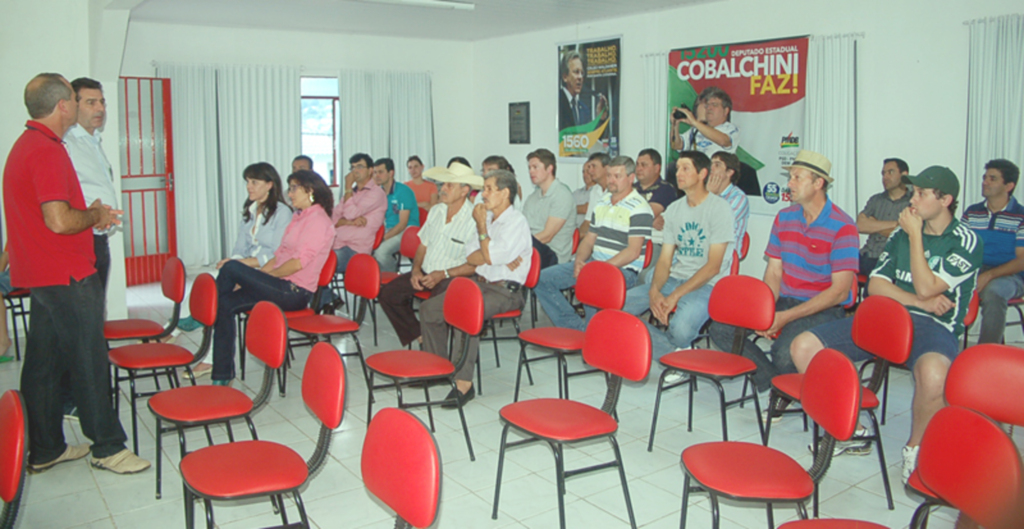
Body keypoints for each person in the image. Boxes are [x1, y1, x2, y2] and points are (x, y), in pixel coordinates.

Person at [790, 166, 981, 483]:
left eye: (921, 194)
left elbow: (926, 285)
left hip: (934, 327)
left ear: (946, 199)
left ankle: (916, 449)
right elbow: (876, 286)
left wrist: (916, 237)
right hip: (886, 317)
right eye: (913, 192)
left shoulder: (965, 240)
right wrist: (920, 301)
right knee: (803, 346)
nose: (912, 199)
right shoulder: (900, 233)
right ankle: (851, 431)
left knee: (934, 375)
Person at [3, 73, 148, 474]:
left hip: (44, 272)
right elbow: (59, 219)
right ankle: (107, 446)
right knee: (88, 357)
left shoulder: (27, 144)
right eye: (76, 99)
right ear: (63, 106)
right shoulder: (48, 150)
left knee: (44, 363)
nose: (88, 107)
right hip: (66, 271)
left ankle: (46, 447)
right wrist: (97, 214)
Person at [709, 150, 858, 392]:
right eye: (791, 177)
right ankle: (773, 383)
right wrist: (765, 311)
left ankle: (784, 388)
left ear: (818, 183)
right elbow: (774, 272)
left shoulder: (843, 226)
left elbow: (840, 292)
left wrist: (783, 318)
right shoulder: (784, 217)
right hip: (785, 300)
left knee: (784, 352)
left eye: (797, 178)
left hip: (821, 307)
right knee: (721, 329)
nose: (789, 184)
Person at [210, 170, 335, 386]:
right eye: (290, 187)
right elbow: (279, 256)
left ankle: (203, 316)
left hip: (295, 292)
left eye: (295, 188)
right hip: (280, 285)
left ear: (311, 190)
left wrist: (259, 277)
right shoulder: (299, 217)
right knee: (225, 304)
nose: (290, 193)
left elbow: (297, 263)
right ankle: (222, 376)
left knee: (231, 267)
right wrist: (259, 278)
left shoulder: (318, 221)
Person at [419, 169, 531, 406]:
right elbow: (472, 256)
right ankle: (438, 369)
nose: (483, 195)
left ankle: (464, 385)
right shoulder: (489, 217)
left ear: (505, 193)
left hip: (506, 292)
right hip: (480, 284)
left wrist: (483, 233)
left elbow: (488, 257)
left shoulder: (516, 222)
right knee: (429, 309)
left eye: (489, 189)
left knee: (465, 313)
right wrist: (489, 251)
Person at [623, 151, 734, 362]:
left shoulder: (719, 208)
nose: (678, 174)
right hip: (675, 278)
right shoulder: (674, 209)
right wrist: (655, 291)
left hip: (707, 283)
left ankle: (672, 352)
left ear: (702, 174)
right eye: (678, 169)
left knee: (681, 329)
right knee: (620, 309)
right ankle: (675, 355)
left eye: (685, 169)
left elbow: (713, 266)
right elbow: (665, 259)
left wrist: (675, 296)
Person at [534, 156, 652, 331]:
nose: (611, 181)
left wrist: (599, 269)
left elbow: (633, 252)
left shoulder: (640, 207)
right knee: (542, 279)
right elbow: (589, 239)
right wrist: (579, 261)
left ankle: (590, 333)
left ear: (631, 178)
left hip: (623, 271)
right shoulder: (602, 202)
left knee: (593, 287)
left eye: (617, 176)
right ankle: (575, 329)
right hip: (594, 265)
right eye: (609, 175)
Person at [179, 162, 294, 334]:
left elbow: (276, 254)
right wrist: (232, 262)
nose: (249, 187)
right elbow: (240, 247)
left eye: (254, 182)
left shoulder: (282, 212)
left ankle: (178, 327)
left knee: (214, 293)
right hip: (244, 267)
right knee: (208, 282)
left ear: (270, 185)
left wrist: (239, 265)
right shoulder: (251, 208)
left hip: (266, 272)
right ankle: (183, 326)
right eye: (247, 181)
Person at [378, 163, 482, 346]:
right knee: (388, 295)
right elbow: (422, 246)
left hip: (454, 277)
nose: (443, 189)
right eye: (443, 184)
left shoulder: (474, 220)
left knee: (430, 309)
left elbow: (475, 264)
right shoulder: (436, 211)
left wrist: (442, 274)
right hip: (427, 271)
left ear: (465, 190)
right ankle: (421, 337)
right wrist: (416, 269)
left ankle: (436, 352)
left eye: (450, 185)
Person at [961, 159, 1024, 344]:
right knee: (937, 283)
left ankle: (986, 355)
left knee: (994, 292)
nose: (985, 182)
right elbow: (962, 248)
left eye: (992, 178)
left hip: (1011, 276)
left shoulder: (1021, 216)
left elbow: (1022, 261)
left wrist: (989, 275)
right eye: (985, 177)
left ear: (1009, 186)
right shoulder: (973, 212)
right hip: (976, 270)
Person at [331, 153, 387, 274]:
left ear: (370, 170)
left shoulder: (377, 193)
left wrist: (347, 187)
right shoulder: (351, 194)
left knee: (319, 265)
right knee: (308, 260)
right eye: (353, 167)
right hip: (336, 244)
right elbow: (333, 218)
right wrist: (348, 222)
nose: (355, 171)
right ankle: (328, 294)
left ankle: (327, 294)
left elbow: (351, 213)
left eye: (360, 167)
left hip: (355, 250)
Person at [858, 158, 913, 276]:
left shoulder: (913, 202)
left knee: (875, 284)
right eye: (883, 173)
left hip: (892, 261)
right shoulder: (875, 200)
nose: (885, 177)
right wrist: (897, 224)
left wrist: (873, 224)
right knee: (837, 269)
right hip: (867, 255)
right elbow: (860, 225)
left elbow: (907, 233)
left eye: (891, 172)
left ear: (904, 175)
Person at [522, 148, 575, 269]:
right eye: (529, 168)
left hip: (553, 255)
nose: (531, 172)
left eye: (535, 167)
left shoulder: (562, 195)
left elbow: (547, 236)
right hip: (531, 249)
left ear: (549, 169)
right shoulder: (532, 197)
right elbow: (522, 228)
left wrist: (519, 247)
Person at [634, 148, 678, 281]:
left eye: (644, 165)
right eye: (637, 164)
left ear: (657, 168)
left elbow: (647, 214)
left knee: (642, 275)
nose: (639, 168)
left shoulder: (665, 189)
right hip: (629, 239)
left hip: (654, 243)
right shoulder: (631, 189)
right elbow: (618, 214)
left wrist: (645, 218)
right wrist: (649, 221)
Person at [372, 157, 420, 273]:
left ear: (391, 173)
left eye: (381, 172)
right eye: (375, 172)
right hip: (389, 228)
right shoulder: (379, 192)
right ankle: (377, 279)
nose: (377, 175)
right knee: (366, 247)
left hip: (407, 230)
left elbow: (402, 224)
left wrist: (382, 239)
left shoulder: (403, 191)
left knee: (381, 251)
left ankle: (390, 278)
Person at [670, 86, 738, 157]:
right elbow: (676, 145)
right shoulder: (696, 129)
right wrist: (675, 125)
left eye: (714, 105)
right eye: (707, 105)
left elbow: (724, 141)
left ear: (726, 111)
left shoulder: (731, 128)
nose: (709, 108)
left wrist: (694, 122)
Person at [708, 151, 750, 252]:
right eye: (711, 164)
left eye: (717, 165)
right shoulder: (704, 191)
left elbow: (717, 225)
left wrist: (710, 196)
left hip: (725, 254)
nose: (711, 168)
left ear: (729, 172)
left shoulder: (739, 198)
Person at [558, 49, 607, 131]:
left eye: (582, 73)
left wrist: (600, 118)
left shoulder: (584, 109)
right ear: (565, 77)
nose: (580, 77)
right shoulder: (557, 103)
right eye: (576, 72)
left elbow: (588, 139)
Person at [578, 152, 610, 237]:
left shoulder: (615, 191)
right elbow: (587, 222)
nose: (590, 171)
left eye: (594, 166)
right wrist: (576, 239)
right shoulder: (595, 191)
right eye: (589, 167)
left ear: (606, 169)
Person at [573, 160, 596, 227]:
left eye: (588, 172)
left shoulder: (599, 191)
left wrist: (570, 209)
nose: (585, 175)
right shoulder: (576, 193)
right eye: (583, 172)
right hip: (572, 232)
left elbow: (587, 209)